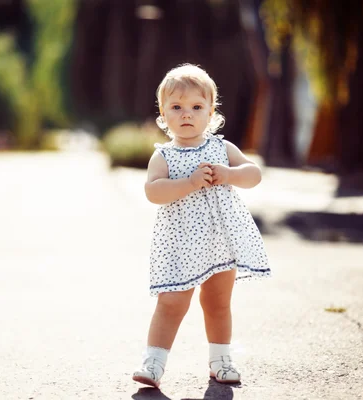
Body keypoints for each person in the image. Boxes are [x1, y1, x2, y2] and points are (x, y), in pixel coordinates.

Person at [132, 64, 271, 388]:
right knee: (171, 303)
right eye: (176, 107)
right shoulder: (164, 156)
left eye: (196, 107)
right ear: (163, 114)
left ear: (211, 112)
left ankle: (221, 359)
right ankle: (153, 362)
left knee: (218, 302)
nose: (187, 114)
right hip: (180, 244)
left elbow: (254, 174)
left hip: (221, 242)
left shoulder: (221, 149)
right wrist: (190, 183)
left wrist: (230, 174)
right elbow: (153, 191)